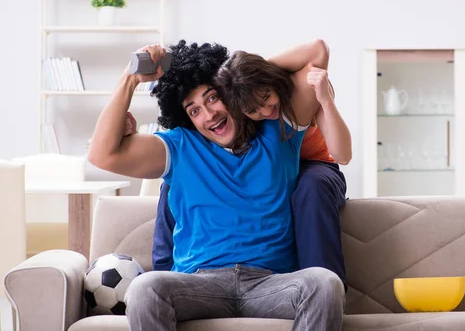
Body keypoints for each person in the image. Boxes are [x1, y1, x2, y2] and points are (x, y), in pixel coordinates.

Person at [88, 40, 344, 331]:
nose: (208, 115)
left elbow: (318, 52)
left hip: (270, 283)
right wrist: (131, 78)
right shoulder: (179, 147)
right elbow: (101, 155)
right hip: (198, 283)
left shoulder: (278, 130)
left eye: (212, 98)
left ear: (232, 94)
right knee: (146, 287)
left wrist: (243, 75)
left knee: (324, 284)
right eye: (194, 110)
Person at [142, 39, 351, 289]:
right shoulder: (240, 110)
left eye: (265, 98)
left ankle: (321, 286)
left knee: (311, 185)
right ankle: (169, 281)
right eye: (254, 107)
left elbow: (317, 50)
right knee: (173, 185)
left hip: (312, 163)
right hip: (274, 163)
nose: (264, 109)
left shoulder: (275, 103)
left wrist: (250, 73)